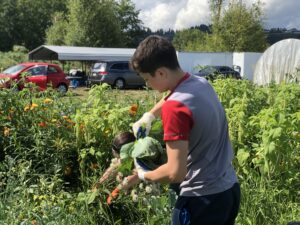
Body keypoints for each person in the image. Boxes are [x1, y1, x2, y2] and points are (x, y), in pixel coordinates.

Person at [131, 35, 240, 225]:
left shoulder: (175, 108)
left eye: (148, 79)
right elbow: (173, 96)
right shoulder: (200, 83)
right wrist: (150, 115)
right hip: (228, 192)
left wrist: (143, 175)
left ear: (162, 73)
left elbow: (175, 173)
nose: (147, 84)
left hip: (201, 202)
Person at [93, 131, 140, 204]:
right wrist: (99, 183)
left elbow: (136, 176)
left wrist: (117, 190)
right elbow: (114, 168)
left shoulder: (141, 157)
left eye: (120, 157)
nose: (119, 160)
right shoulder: (123, 156)